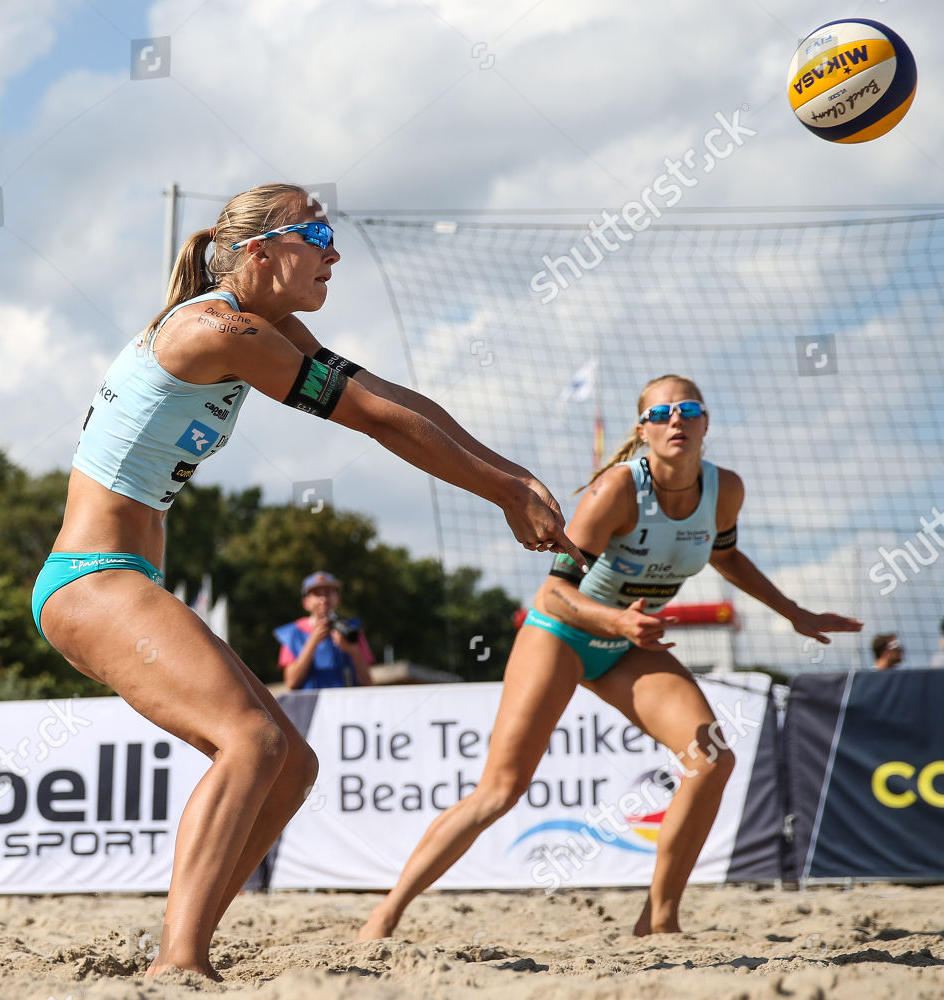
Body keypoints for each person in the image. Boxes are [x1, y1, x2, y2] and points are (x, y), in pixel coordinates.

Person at [31, 183, 577, 979]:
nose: (334, 251)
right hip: (89, 581)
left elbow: (387, 395)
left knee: (291, 763)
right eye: (317, 234)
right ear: (259, 253)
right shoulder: (220, 329)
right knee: (249, 741)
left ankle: (186, 951)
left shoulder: (259, 325)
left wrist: (510, 473)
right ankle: (177, 965)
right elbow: (371, 418)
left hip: (121, 577)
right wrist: (500, 490)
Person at [359, 374, 863, 942]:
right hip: (561, 634)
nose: (677, 419)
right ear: (642, 429)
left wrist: (793, 611)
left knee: (711, 759)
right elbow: (552, 595)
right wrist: (618, 620)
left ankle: (660, 918)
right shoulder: (617, 490)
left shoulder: (726, 491)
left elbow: (726, 556)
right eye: (662, 412)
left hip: (627, 645)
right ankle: (386, 913)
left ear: (706, 422)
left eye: (689, 408)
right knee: (500, 791)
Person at [276, 571, 375, 690]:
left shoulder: (352, 630)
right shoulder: (293, 634)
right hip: (311, 706)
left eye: (328, 593)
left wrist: (353, 650)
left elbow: (368, 682)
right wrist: (312, 642)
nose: (323, 599)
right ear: (306, 603)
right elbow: (291, 683)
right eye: (317, 594)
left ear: (337, 599)